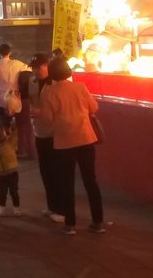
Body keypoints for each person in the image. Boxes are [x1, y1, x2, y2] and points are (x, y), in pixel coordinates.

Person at [39, 57, 109, 235]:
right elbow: (93, 108)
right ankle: (98, 221)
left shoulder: (49, 92)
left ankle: (70, 224)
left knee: (66, 182)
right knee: (90, 181)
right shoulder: (80, 87)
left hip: (63, 141)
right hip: (85, 138)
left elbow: (47, 120)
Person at [25, 53, 60, 220]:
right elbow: (29, 101)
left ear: (47, 65)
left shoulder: (56, 84)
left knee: (57, 171)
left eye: (39, 67)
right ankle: (51, 206)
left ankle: (60, 209)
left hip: (55, 132)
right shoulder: (32, 82)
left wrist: (42, 112)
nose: (36, 70)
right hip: (39, 130)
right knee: (45, 170)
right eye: (33, 67)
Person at [0, 43, 27, 129]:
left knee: (2, 121)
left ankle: (3, 134)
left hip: (0, 98)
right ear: (10, 52)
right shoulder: (17, 64)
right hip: (14, 97)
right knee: (15, 123)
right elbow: (29, 69)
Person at [0, 126, 21, 217]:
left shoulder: (9, 142)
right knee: (2, 192)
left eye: (1, 132)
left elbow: (15, 134)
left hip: (12, 173)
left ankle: (16, 208)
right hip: (1, 174)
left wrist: (13, 126)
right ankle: (2, 209)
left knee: (13, 191)